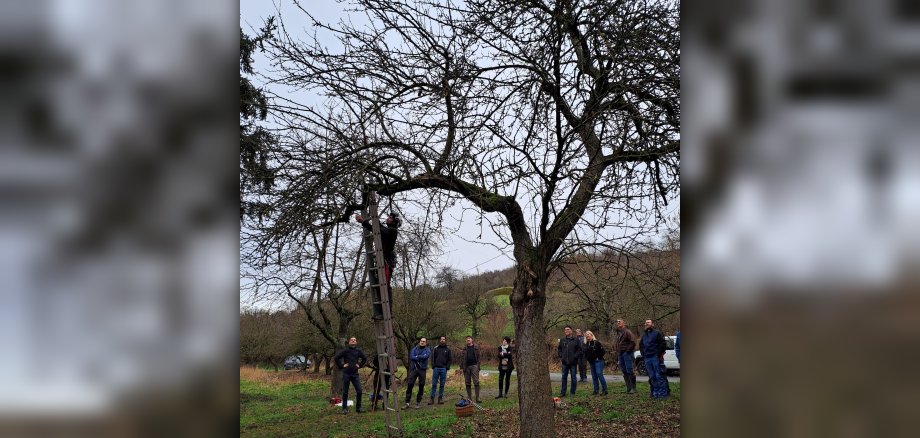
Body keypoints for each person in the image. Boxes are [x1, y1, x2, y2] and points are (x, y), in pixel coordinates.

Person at [355, 211, 401, 319]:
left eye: (390, 217)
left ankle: (387, 312)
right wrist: (367, 217)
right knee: (379, 284)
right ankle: (381, 311)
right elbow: (377, 227)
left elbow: (378, 229)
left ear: (394, 222)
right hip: (382, 260)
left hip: (387, 262)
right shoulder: (388, 230)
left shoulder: (393, 231)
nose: (388, 218)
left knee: (384, 285)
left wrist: (364, 221)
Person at [333, 336, 368, 414]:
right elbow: (336, 358)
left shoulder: (358, 351)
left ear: (356, 342)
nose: (353, 341)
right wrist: (342, 365)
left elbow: (364, 358)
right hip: (346, 374)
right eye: (352, 340)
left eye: (354, 340)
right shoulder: (345, 351)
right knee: (345, 392)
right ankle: (344, 409)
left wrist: (360, 365)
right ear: (349, 342)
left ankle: (358, 408)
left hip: (355, 374)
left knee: (359, 390)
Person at [640, 319, 669, 399]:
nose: (646, 324)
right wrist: (644, 355)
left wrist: (658, 354)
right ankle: (655, 393)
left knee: (659, 375)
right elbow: (641, 346)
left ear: (652, 324)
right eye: (645, 322)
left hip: (655, 357)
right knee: (652, 376)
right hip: (647, 358)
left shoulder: (657, 333)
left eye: (648, 322)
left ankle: (663, 394)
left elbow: (663, 344)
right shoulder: (644, 335)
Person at [404, 337, 431, 409]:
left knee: (421, 385)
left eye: (424, 341)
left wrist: (417, 356)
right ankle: (407, 402)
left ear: (426, 343)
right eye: (421, 341)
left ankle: (418, 402)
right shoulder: (414, 349)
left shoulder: (427, 350)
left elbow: (426, 357)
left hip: (422, 370)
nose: (422, 342)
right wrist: (420, 357)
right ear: (419, 342)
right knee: (410, 384)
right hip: (414, 369)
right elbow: (411, 357)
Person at [614, 319, 638, 394]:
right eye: (617, 322)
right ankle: (629, 388)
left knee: (629, 370)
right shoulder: (619, 333)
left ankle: (633, 388)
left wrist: (627, 351)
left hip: (627, 354)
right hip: (620, 354)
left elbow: (633, 342)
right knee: (624, 371)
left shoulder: (627, 331)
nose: (618, 323)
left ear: (623, 323)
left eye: (619, 322)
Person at [557, 325, 582, 397]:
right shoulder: (562, 340)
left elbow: (580, 349)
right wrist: (561, 356)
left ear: (571, 330)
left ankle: (572, 392)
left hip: (573, 362)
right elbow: (559, 349)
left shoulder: (576, 340)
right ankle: (563, 392)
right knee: (564, 377)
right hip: (564, 362)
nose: (566, 331)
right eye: (565, 330)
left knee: (573, 377)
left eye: (568, 329)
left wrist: (575, 356)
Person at [428, 336, 452, 405]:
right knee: (434, 384)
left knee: (442, 384)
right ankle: (431, 399)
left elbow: (450, 359)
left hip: (444, 369)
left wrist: (447, 367)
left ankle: (440, 398)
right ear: (439, 340)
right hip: (436, 368)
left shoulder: (448, 349)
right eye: (441, 339)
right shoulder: (436, 348)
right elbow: (432, 358)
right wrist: (433, 366)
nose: (442, 340)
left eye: (443, 339)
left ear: (445, 340)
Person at [583, 331, 608, 395]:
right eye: (586, 335)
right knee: (594, 376)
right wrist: (587, 359)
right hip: (591, 362)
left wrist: (598, 357)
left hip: (598, 361)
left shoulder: (597, 343)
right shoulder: (585, 344)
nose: (587, 336)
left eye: (588, 334)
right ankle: (596, 390)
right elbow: (585, 353)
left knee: (599, 374)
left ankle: (605, 390)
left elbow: (603, 352)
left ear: (591, 335)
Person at [461, 336, 482, 403]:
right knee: (467, 383)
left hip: (474, 366)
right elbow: (462, 359)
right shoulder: (464, 349)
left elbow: (479, 357)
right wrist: (461, 368)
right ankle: (470, 398)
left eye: (469, 339)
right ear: (466, 341)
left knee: (476, 382)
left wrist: (478, 366)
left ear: (472, 340)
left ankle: (477, 397)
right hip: (466, 367)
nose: (468, 340)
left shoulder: (476, 348)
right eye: (467, 339)